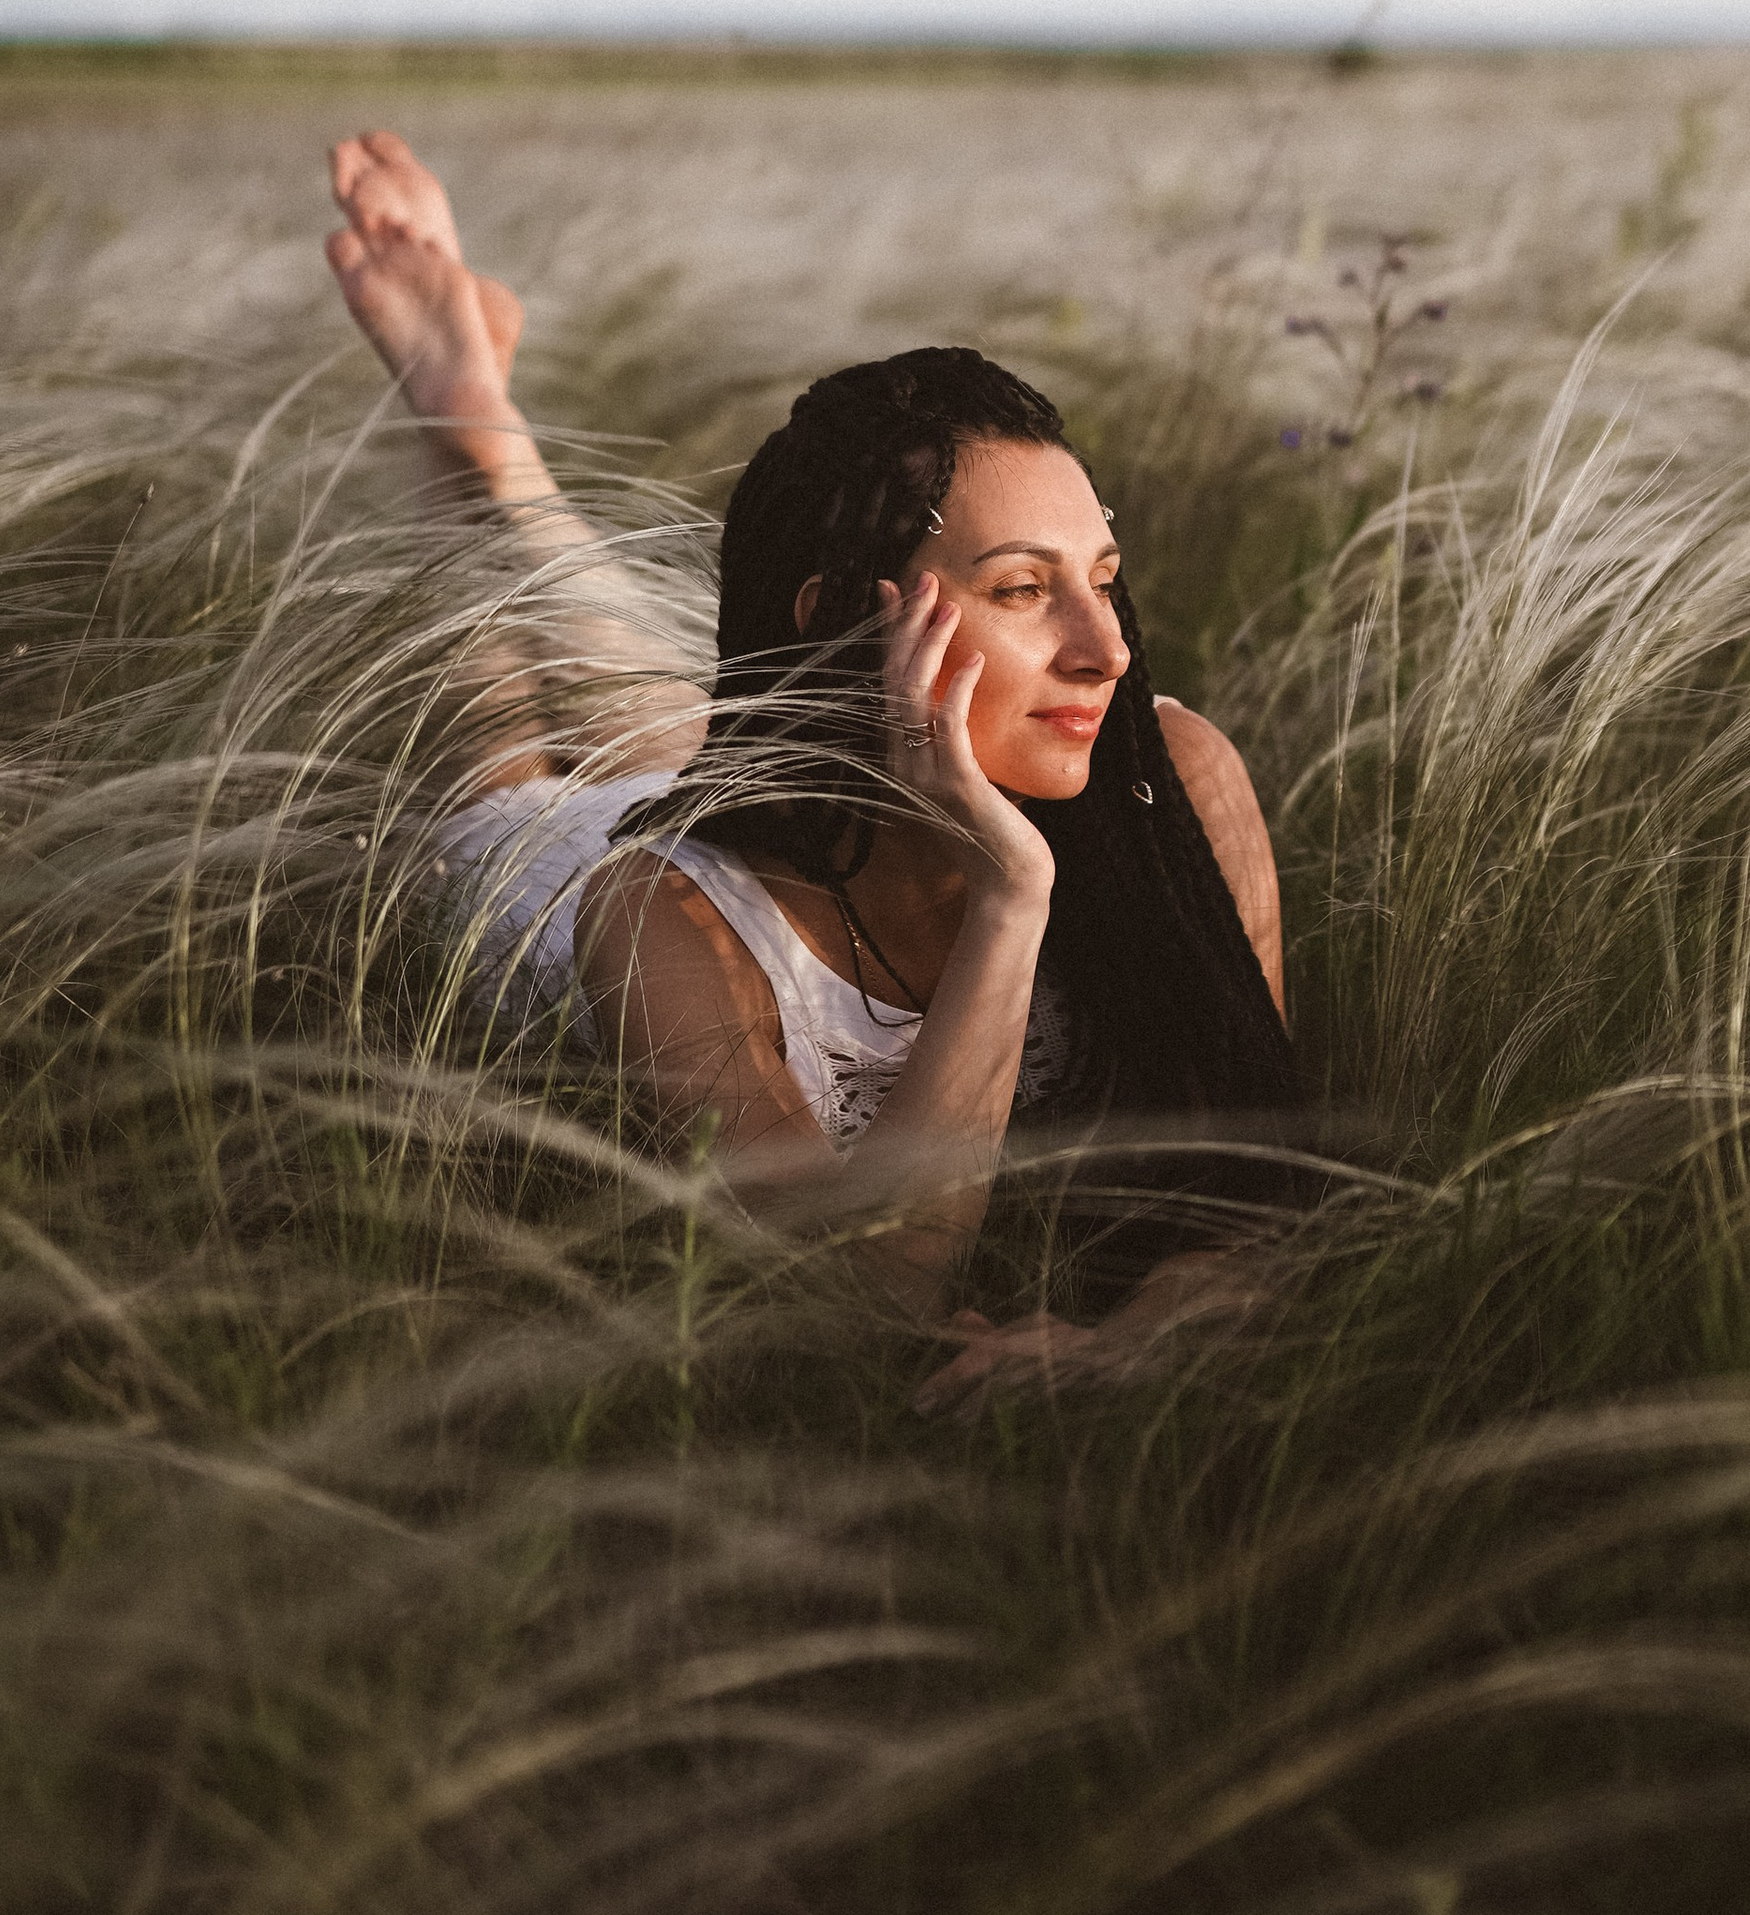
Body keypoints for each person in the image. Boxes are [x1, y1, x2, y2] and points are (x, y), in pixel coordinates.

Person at [323, 127, 1298, 1404]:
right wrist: (1011, 895)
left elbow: (1262, 1178)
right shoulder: (655, 915)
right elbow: (859, 1297)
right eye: (1022, 590)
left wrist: (1138, 1340)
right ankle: (447, 418)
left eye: (1103, 580)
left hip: (793, 798)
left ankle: (495, 435)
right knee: (501, 715)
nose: (1106, 649)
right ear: (845, 621)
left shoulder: (1173, 784)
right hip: (547, 865)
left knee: (675, 719)